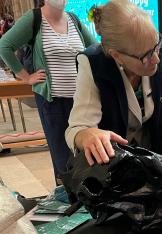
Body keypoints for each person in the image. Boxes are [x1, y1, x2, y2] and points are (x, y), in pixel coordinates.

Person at [65, 0, 162, 165]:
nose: (156, 59)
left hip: (152, 160)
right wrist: (85, 135)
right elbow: (76, 129)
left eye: (156, 45)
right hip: (114, 168)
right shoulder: (94, 65)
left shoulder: (161, 55)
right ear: (117, 56)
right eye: (146, 55)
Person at [0, 0, 96, 182]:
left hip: (81, 102)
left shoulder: (74, 20)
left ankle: (86, 197)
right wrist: (26, 77)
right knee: (62, 156)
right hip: (54, 102)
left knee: (85, 153)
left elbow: (95, 49)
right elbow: (4, 46)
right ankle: (67, 199)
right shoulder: (34, 19)